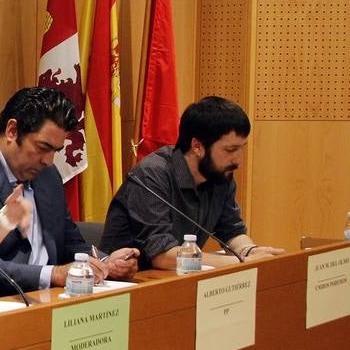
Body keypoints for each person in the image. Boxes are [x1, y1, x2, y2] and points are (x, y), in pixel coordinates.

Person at [0, 86, 139, 297]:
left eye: (55, 151)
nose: (48, 161)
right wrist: (52, 274)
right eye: (42, 147)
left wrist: (104, 263)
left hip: (53, 301)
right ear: (12, 130)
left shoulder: (48, 175)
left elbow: (69, 241)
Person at [100, 96, 285, 269]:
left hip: (178, 278)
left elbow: (231, 230)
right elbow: (162, 255)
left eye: (241, 148)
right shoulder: (152, 175)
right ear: (197, 146)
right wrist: (241, 262)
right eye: (230, 149)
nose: (238, 161)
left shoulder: (220, 174)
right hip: (128, 283)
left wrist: (251, 251)